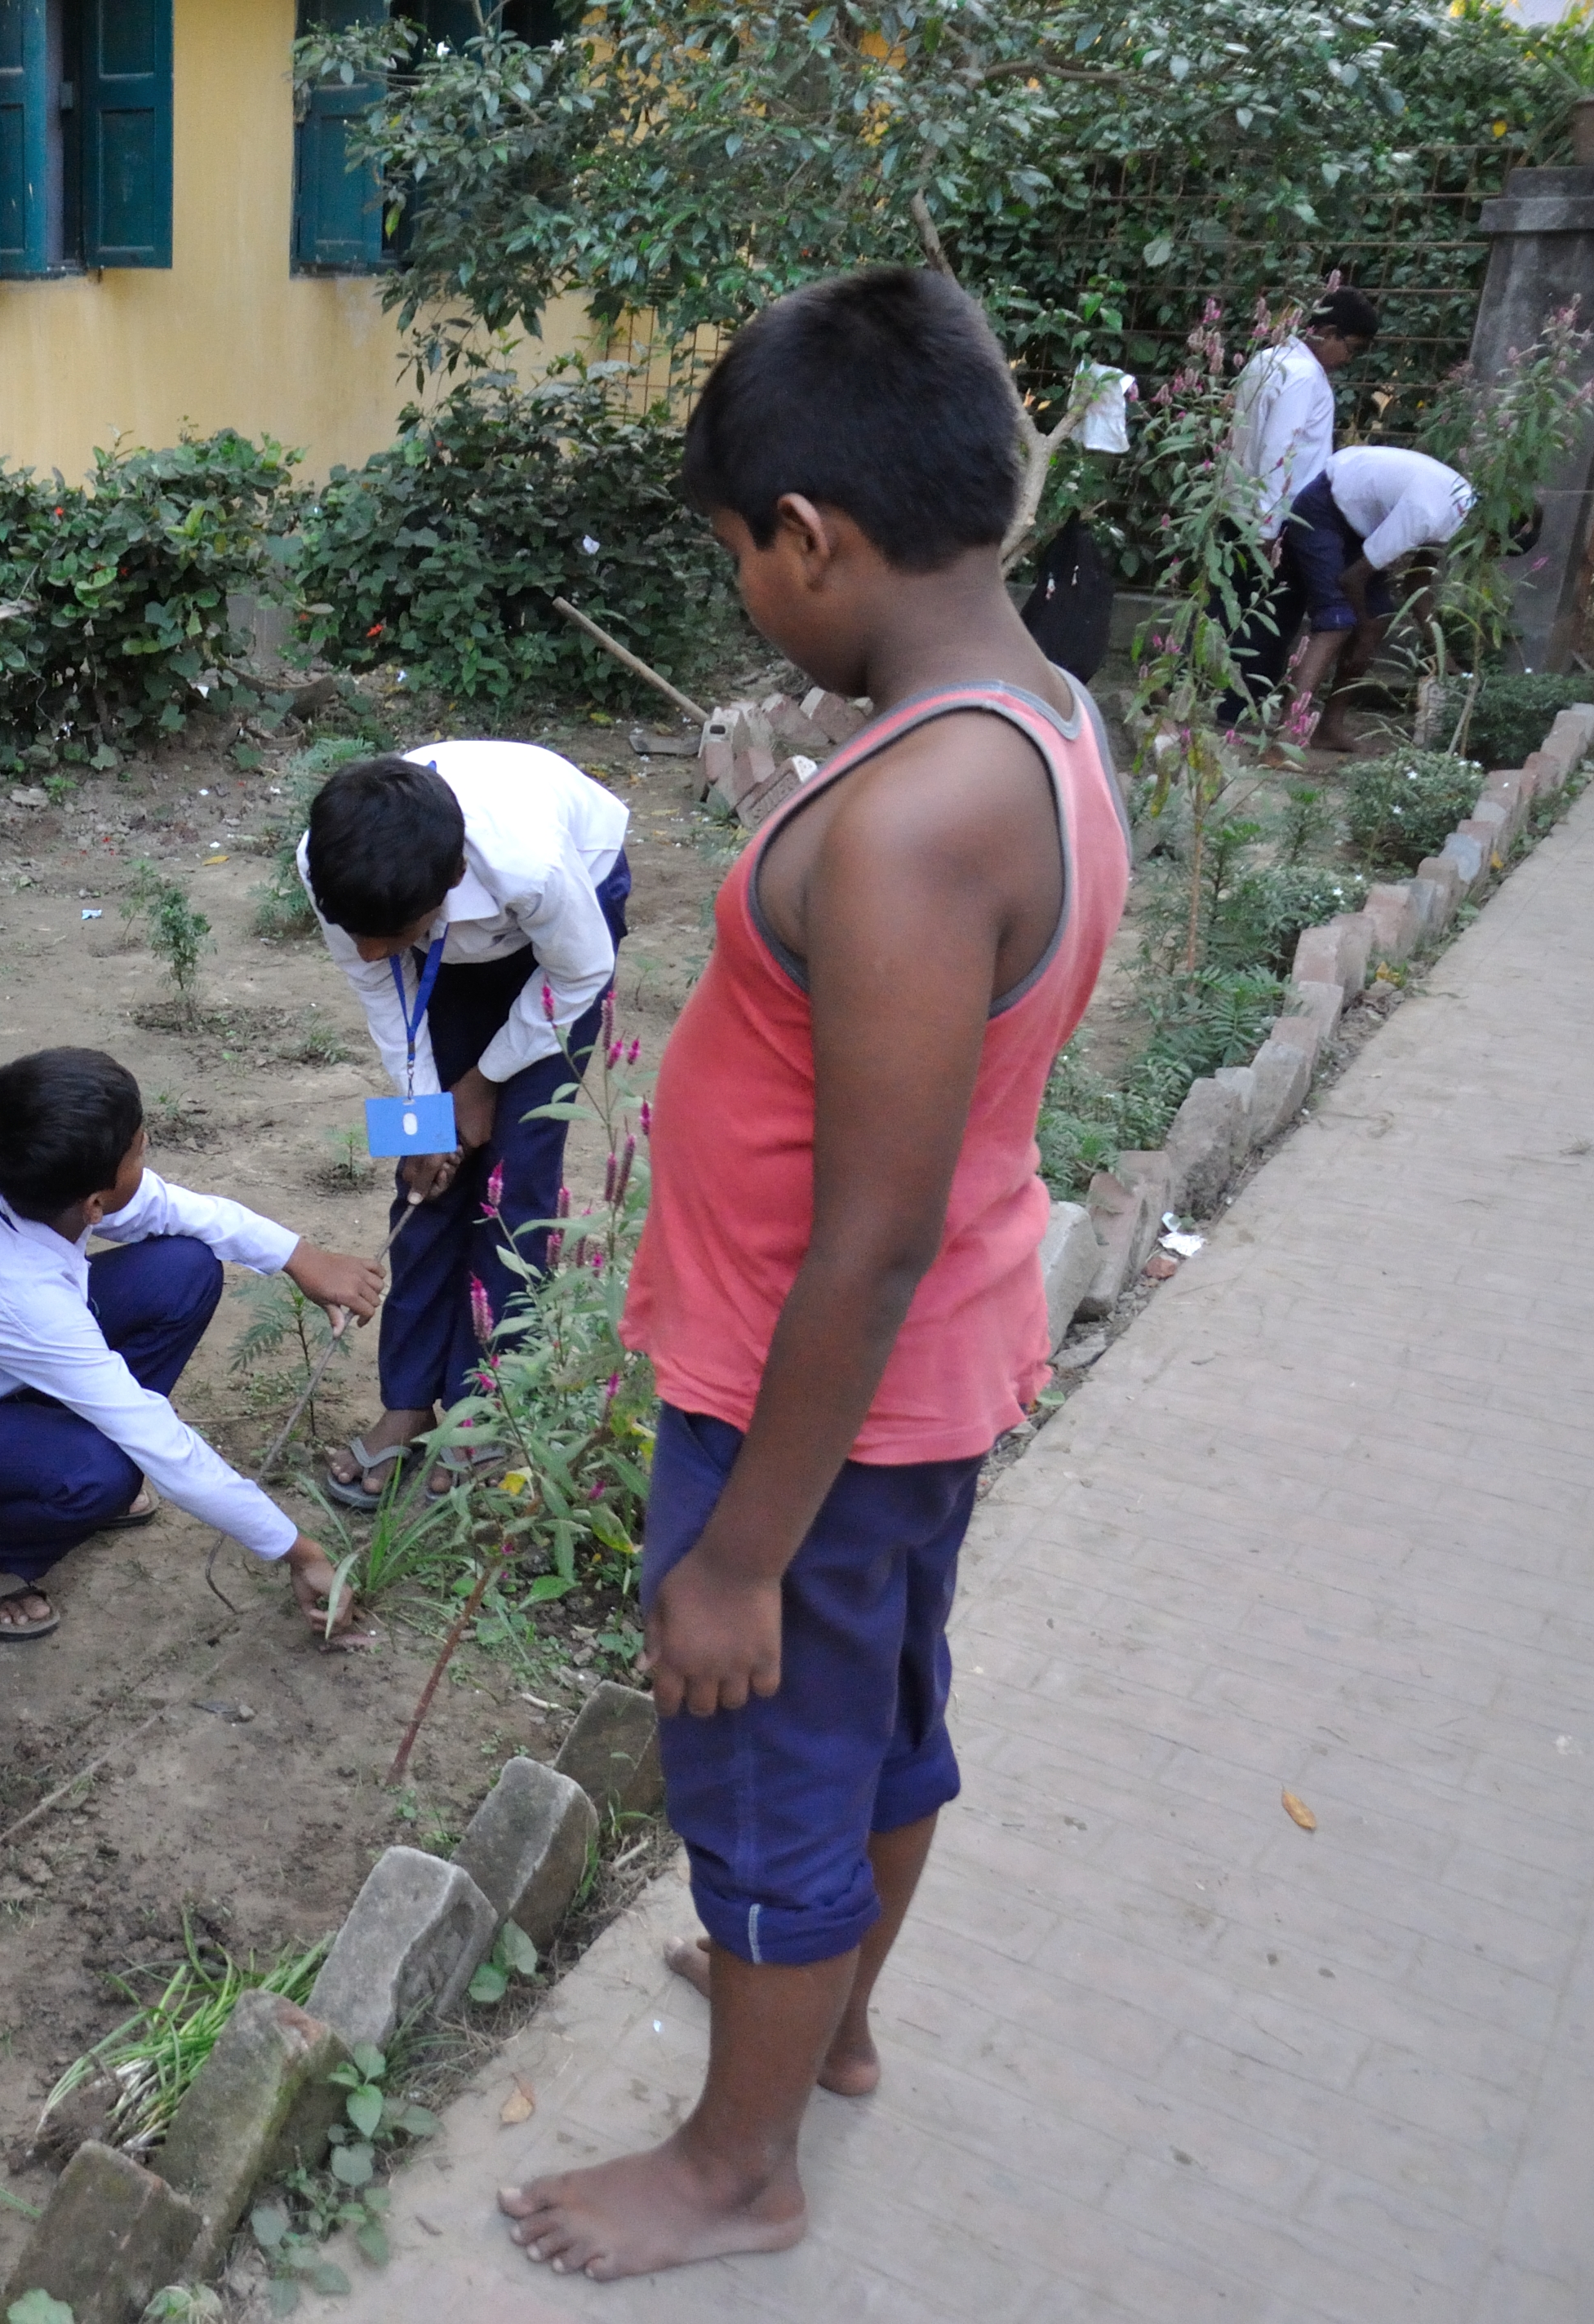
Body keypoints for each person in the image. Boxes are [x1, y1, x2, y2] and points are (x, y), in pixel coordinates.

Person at [498, 267, 1129, 2280]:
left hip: (810, 1413)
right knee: (877, 1723)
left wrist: (739, 1548)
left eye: (736, 561)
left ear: (806, 537)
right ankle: (824, 2020)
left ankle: (731, 2162)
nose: (744, 599)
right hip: (918, 1384)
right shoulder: (1033, 724)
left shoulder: (912, 819)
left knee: (766, 1759)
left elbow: (861, 1231)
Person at [0, 1048, 385, 1643]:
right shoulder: (17, 1296)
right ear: (93, 1202)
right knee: (107, 1468)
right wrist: (302, 1552)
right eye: (140, 1151)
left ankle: (43, 1455)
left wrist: (299, 1256)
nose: (148, 1158)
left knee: (184, 1269)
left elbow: (171, 1208)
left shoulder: (14, 1173)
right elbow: (165, 1449)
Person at [299, 743, 629, 1509]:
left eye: (388, 933)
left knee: (516, 1183)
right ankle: (410, 1404)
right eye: (359, 932)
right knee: (422, 1178)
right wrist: (427, 1116)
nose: (371, 950)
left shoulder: (534, 867)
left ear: (449, 883)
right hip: (445, 932)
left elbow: (579, 974)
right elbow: (385, 988)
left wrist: (478, 1086)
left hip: (567, 936)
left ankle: (487, 1409)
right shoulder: (336, 865)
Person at [1219, 289, 1380, 723]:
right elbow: (1280, 451)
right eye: (1351, 347)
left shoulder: (1265, 360)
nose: (1349, 358)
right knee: (1268, 619)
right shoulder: (1305, 377)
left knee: (1229, 607)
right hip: (1279, 517)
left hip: (1236, 505)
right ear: (1327, 332)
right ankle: (1240, 710)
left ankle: (1219, 700)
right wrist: (1272, 526)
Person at [1279, 440, 1480, 756]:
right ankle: (1283, 742)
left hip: (1356, 523)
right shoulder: (1430, 512)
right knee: (1337, 621)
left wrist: (1442, 658)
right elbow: (1352, 578)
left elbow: (1417, 584)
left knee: (1380, 616)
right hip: (1324, 508)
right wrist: (1361, 630)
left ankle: (1329, 729)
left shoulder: (1459, 507)